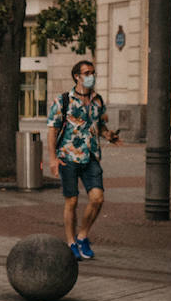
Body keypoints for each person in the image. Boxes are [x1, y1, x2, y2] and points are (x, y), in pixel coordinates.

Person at [46, 60, 119, 260]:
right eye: (87, 73)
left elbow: (100, 126)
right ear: (77, 76)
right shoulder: (63, 100)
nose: (91, 76)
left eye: (93, 73)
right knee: (72, 201)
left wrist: (108, 135)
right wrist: (52, 158)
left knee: (97, 198)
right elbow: (52, 130)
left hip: (91, 156)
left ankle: (82, 235)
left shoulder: (98, 100)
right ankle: (70, 242)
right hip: (68, 156)